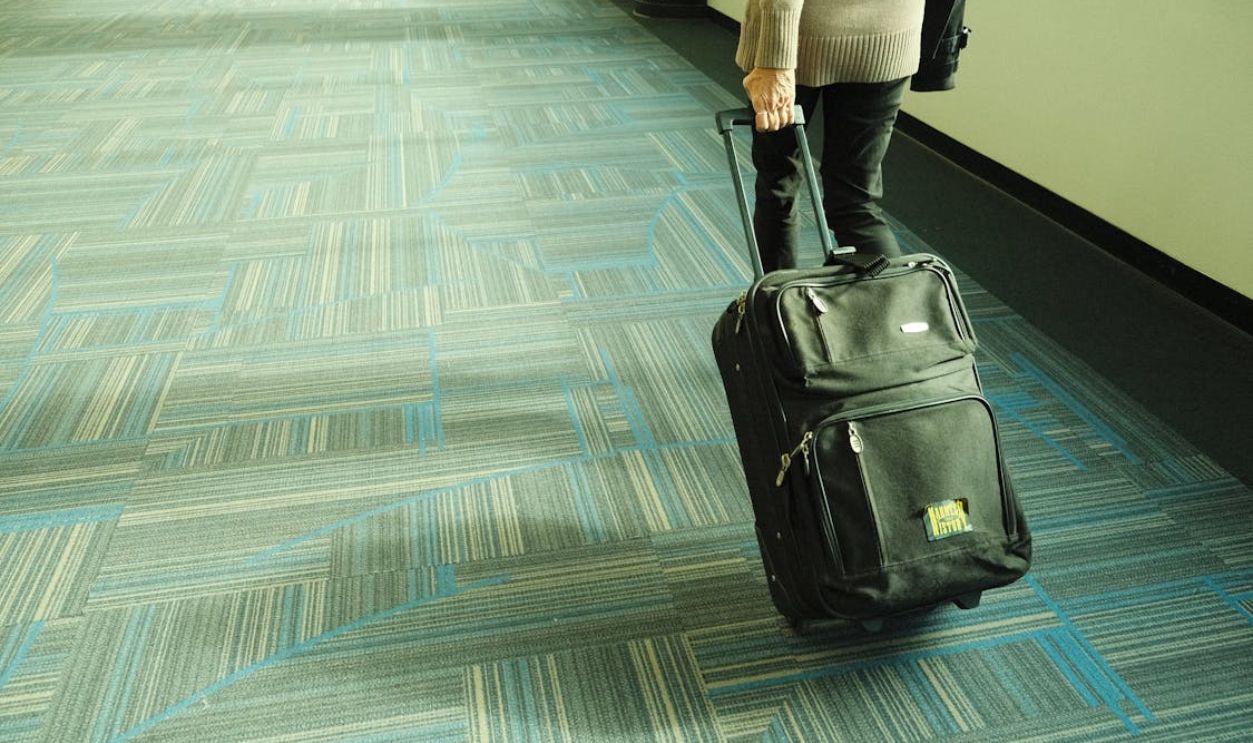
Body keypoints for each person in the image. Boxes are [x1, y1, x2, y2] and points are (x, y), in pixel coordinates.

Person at [737, 0, 926, 271]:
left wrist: (774, 62)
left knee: (778, 188)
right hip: (891, 33)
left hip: (799, 38)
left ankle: (777, 309)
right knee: (856, 204)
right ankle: (898, 310)